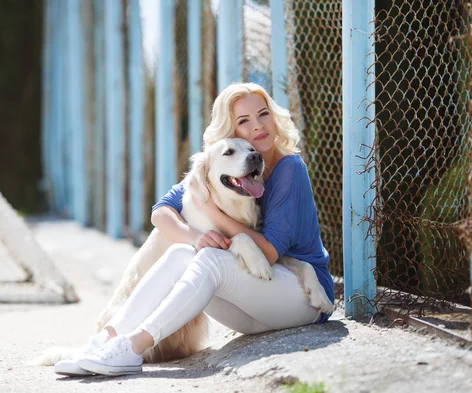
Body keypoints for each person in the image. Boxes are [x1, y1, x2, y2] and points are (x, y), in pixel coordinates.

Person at [54, 82, 334, 377]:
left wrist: (211, 211)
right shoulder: (226, 167)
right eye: (244, 121)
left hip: (305, 301)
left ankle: (133, 347)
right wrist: (196, 236)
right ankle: (104, 342)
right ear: (231, 132)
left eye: (263, 114)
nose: (257, 127)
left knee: (210, 259)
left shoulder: (289, 169)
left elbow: (269, 252)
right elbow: (161, 210)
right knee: (182, 253)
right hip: (258, 309)